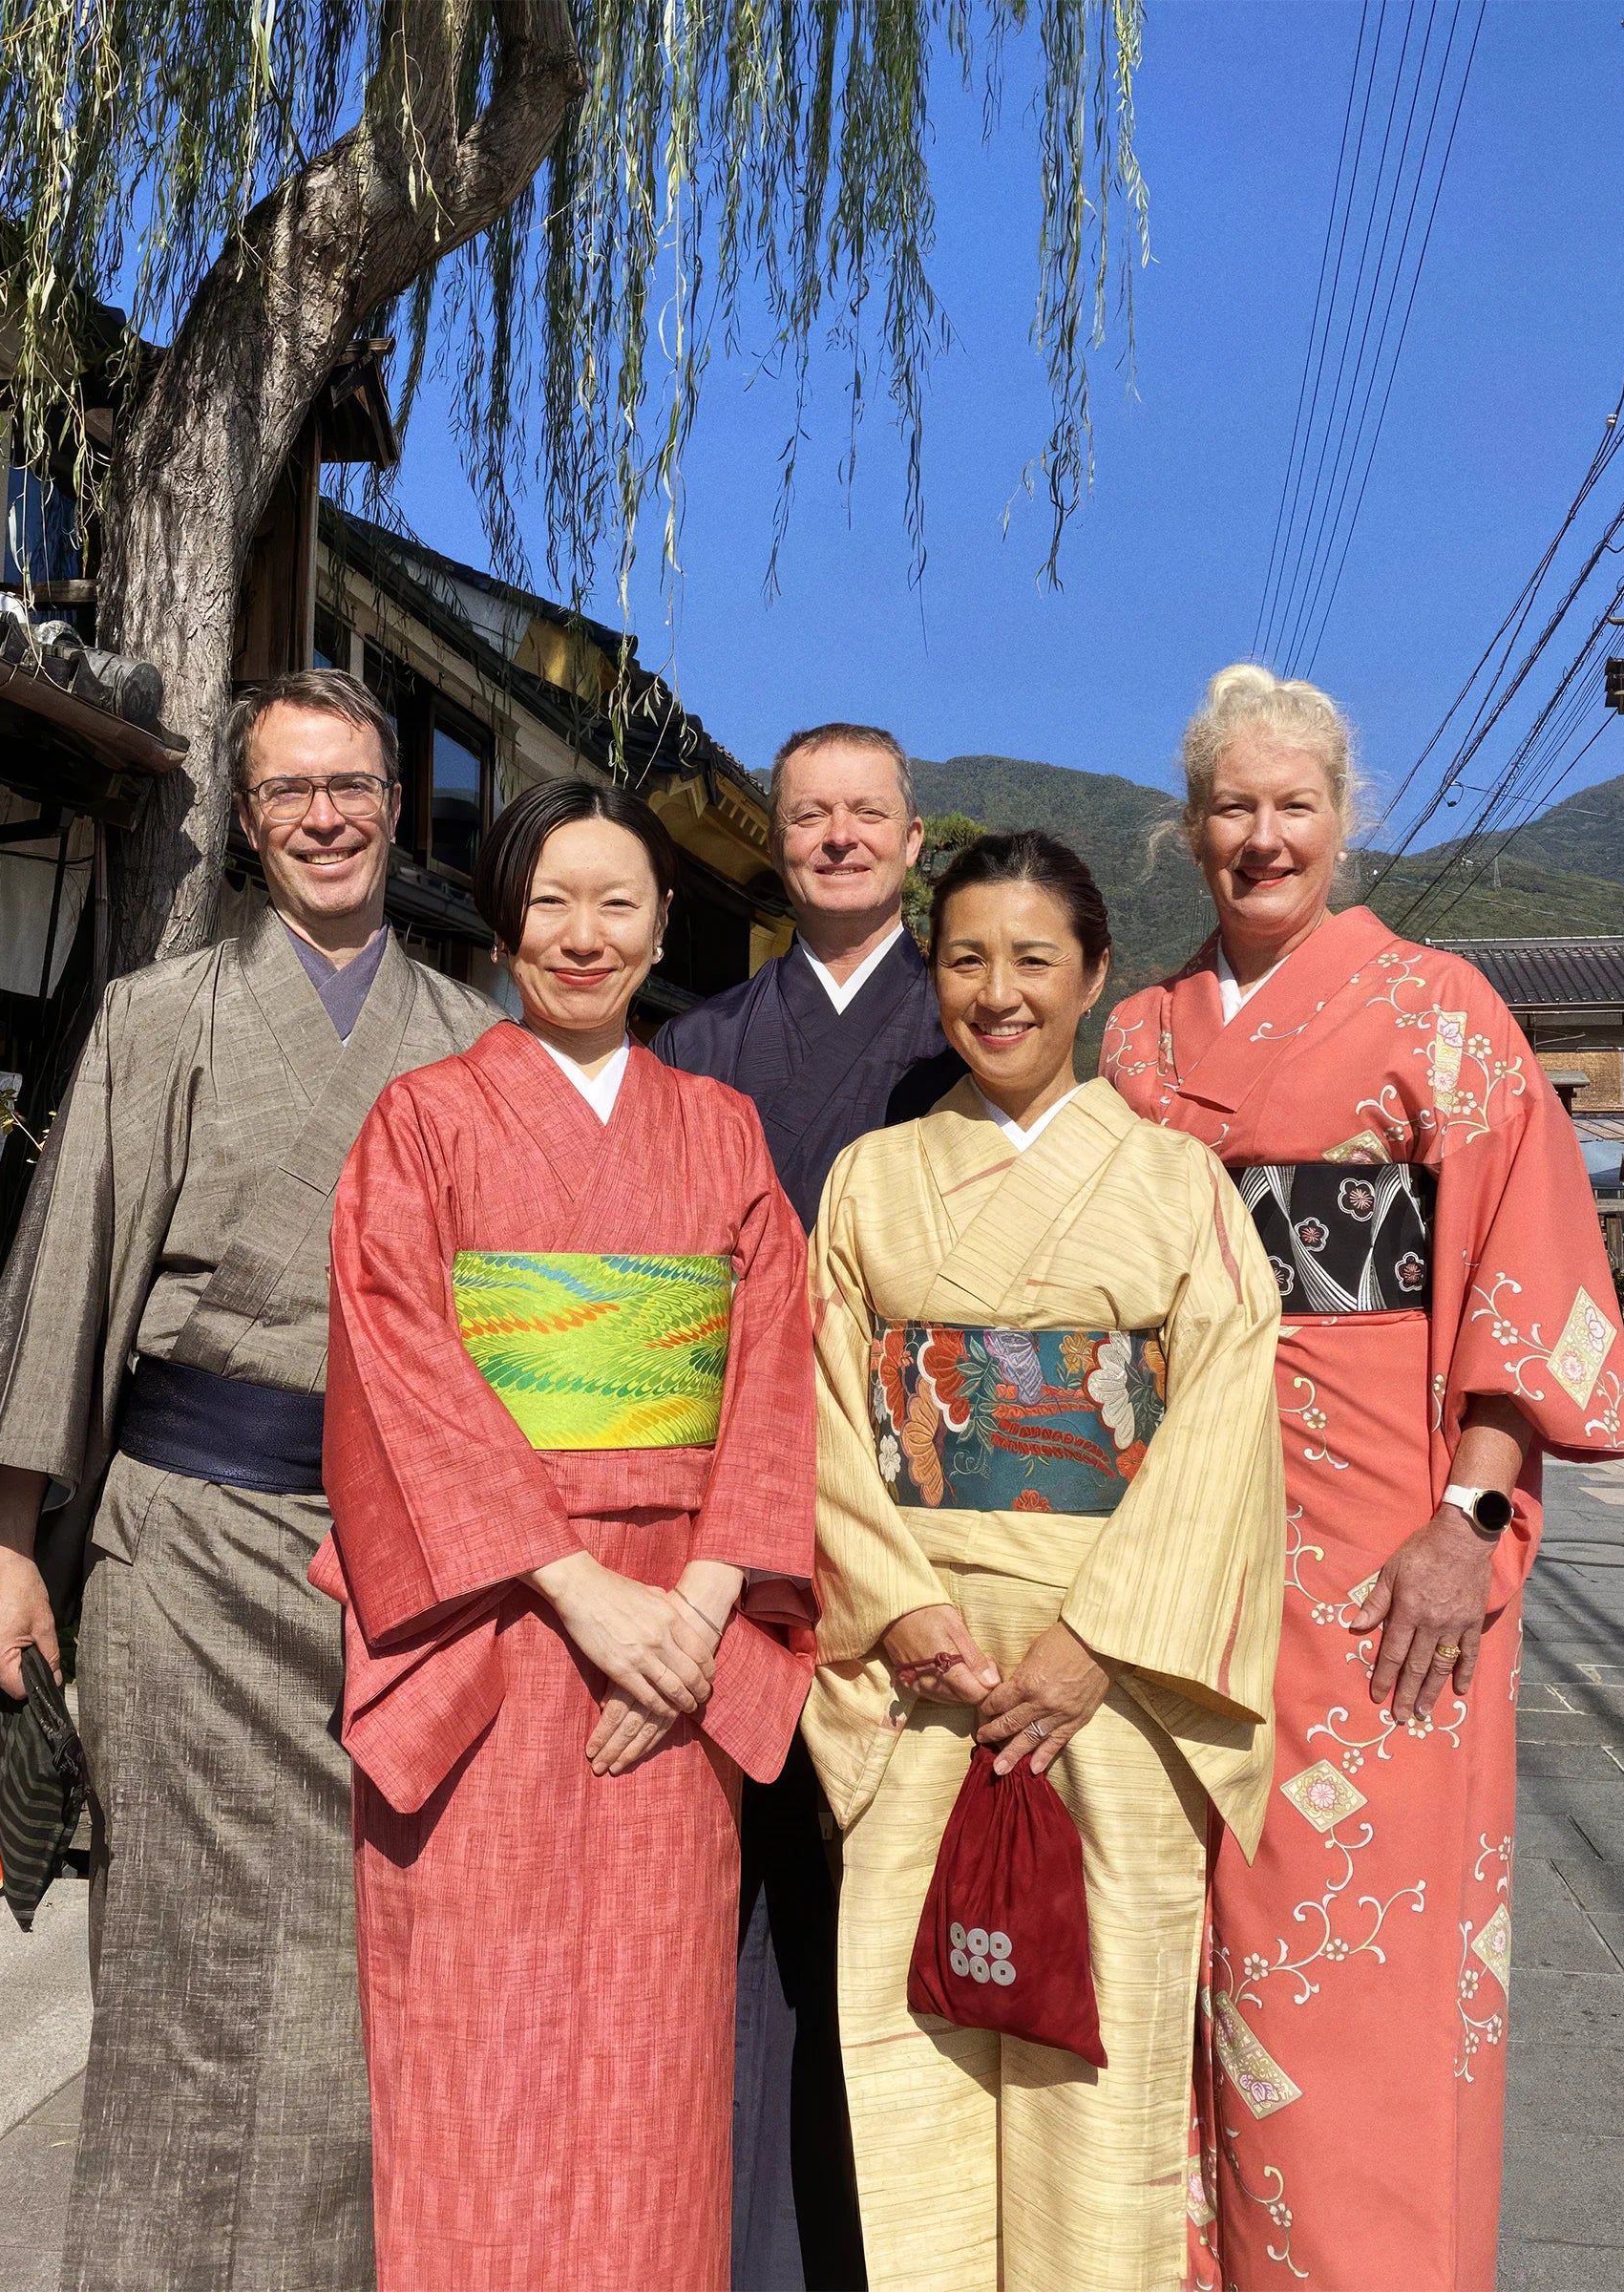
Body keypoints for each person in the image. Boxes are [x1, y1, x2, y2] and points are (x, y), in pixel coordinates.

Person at [1100, 664, 1624, 2292]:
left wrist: (1467, 1522)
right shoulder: (1135, 1036)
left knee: (1362, 1971)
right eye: (1232, 807)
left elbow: (1519, 1281)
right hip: (1174, 1543)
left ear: (1347, 823)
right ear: (1185, 827)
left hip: (1372, 1549)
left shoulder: (1440, 1012)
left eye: (1295, 806)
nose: (1263, 837)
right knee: (1173, 1944)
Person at [0, 669, 498, 2292]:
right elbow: (71, 1286)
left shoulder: (479, 1047)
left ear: (396, 807)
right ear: (251, 829)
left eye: (350, 788)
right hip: (181, 1557)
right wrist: (6, 1546)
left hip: (399, 1571)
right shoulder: (162, 1016)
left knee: (365, 1974)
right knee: (179, 1978)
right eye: (287, 795)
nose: (323, 818)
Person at [313, 779, 818, 2290]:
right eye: (549, 901)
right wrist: (581, 1589)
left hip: (680, 1628)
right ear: (499, 917)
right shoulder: (424, 1121)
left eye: (618, 903)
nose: (583, 936)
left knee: (657, 2044)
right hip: (497, 1622)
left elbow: (775, 1371)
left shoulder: (721, 1130)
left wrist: (702, 1605)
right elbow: (401, 1368)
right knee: (475, 2027)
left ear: (666, 924)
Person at [804, 830, 1287, 2292]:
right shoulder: (871, 1179)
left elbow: (1223, 1420)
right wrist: (898, 1616)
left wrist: (1099, 1644)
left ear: (1094, 978)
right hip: (927, 1673)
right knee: (914, 2045)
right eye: (963, 959)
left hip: (1118, 1680)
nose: (995, 992)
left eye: (1031, 960)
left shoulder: (1178, 1181)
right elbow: (823, 1412)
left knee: (1110, 2056)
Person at [652, 721, 962, 2290]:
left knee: (904, 1892)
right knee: (745, 1896)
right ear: (778, 842)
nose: (837, 837)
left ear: (916, 841)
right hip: (739, 1522)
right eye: (809, 815)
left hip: (921, 1526)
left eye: (867, 814)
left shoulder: (975, 1032)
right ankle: (743, 2249)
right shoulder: (702, 1043)